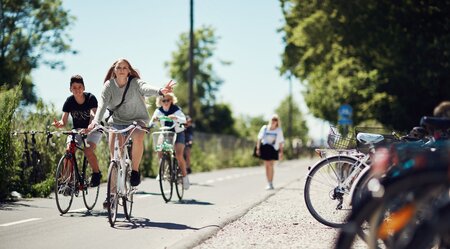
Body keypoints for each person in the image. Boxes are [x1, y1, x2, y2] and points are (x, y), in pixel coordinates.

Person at [88, 58, 175, 187]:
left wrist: (160, 91)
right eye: (119, 67)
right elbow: (102, 105)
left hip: (137, 120)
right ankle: (111, 196)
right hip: (117, 122)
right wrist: (95, 121)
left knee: (139, 135)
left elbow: (145, 88)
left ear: (129, 71)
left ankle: (134, 171)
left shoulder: (135, 83)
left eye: (124, 68)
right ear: (114, 71)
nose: (122, 70)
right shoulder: (108, 86)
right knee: (114, 159)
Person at [53, 75, 102, 187]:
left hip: (93, 129)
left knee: (88, 151)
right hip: (77, 130)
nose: (77, 90)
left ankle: (96, 174)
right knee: (69, 151)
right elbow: (64, 121)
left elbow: (93, 115)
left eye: (79, 87)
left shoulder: (90, 98)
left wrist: (90, 126)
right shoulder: (69, 101)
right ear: (70, 89)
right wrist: (59, 124)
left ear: (83, 88)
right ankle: (67, 181)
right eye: (74, 87)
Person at [151, 93, 190, 189]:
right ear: (160, 102)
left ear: (171, 100)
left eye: (168, 100)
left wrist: (176, 118)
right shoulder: (158, 111)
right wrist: (153, 121)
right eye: (164, 100)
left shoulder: (176, 110)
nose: (166, 102)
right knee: (159, 148)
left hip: (178, 132)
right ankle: (162, 171)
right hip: (165, 132)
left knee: (178, 155)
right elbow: (152, 122)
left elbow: (184, 120)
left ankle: (185, 177)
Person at [255, 114, 285, 190]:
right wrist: (258, 149)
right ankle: (268, 182)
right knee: (266, 165)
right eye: (273, 119)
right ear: (270, 120)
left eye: (275, 120)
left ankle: (271, 183)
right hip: (265, 148)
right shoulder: (265, 128)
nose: (274, 121)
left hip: (273, 149)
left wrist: (281, 152)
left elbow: (281, 142)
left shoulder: (278, 130)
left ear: (277, 122)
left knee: (271, 165)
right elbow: (259, 138)